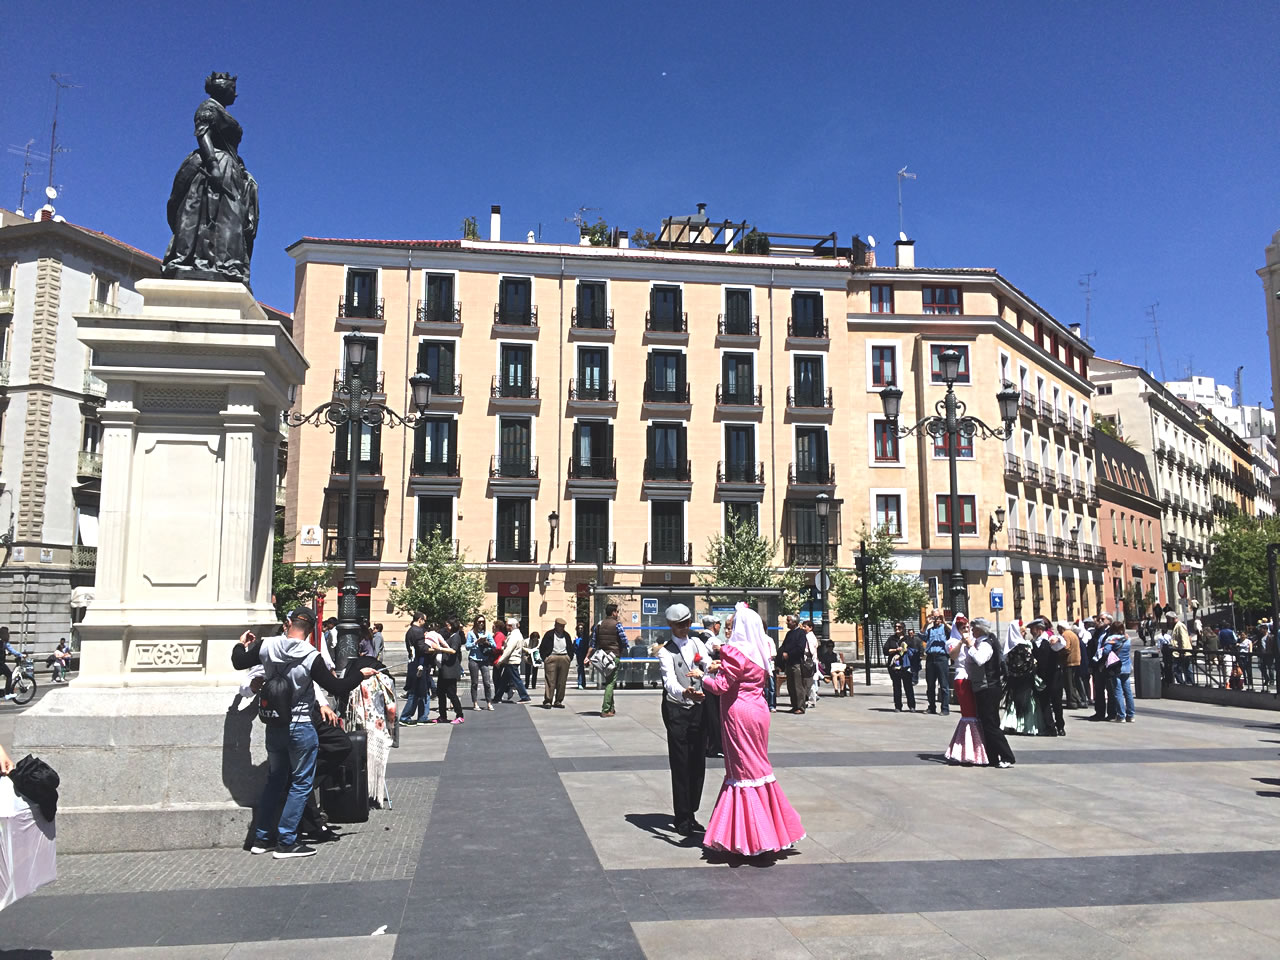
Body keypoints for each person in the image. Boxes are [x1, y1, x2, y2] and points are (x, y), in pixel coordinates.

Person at [231, 609, 375, 859]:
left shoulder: (266, 645)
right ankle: (286, 841)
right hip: (300, 724)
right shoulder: (310, 655)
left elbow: (238, 661)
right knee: (301, 783)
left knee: (275, 780)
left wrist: (241, 644)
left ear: (288, 623)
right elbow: (337, 686)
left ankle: (262, 839)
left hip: (274, 725)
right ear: (310, 631)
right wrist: (358, 675)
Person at [701, 603, 807, 856]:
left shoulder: (735, 650)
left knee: (742, 772)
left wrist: (702, 677)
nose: (729, 629)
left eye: (732, 624)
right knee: (759, 767)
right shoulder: (760, 649)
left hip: (739, 713)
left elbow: (721, 687)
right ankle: (773, 827)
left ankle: (753, 836)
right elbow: (746, 676)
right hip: (759, 711)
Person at [162, 72, 258, 285]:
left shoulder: (219, 110)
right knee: (216, 215)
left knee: (229, 217)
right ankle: (213, 261)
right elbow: (203, 134)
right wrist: (213, 165)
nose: (236, 94)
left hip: (229, 167)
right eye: (233, 89)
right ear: (223, 89)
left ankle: (223, 261)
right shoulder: (208, 108)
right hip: (215, 165)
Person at [656, 604, 712, 836]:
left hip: (699, 707)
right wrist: (684, 692)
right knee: (680, 762)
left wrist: (707, 673)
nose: (684, 628)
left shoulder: (697, 643)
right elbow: (669, 681)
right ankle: (682, 816)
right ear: (671, 626)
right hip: (677, 709)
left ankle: (692, 811)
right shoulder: (665, 652)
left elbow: (707, 664)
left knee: (698, 761)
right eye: (679, 625)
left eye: (687, 623)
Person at [968, 618, 1015, 768]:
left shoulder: (986, 644)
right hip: (984, 687)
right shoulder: (983, 642)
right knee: (987, 723)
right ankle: (992, 756)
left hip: (988, 687)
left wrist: (970, 647)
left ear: (980, 630)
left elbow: (980, 659)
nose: (972, 631)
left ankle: (1007, 756)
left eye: (974, 628)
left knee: (991, 724)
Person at [944, 618, 989, 766]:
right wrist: (961, 643)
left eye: (967, 627)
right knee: (969, 714)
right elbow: (953, 656)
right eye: (963, 627)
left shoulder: (974, 640)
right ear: (957, 629)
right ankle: (967, 751)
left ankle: (978, 749)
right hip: (962, 678)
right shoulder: (952, 642)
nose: (966, 629)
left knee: (977, 713)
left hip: (974, 679)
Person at [1001, 621, 1039, 734]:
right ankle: (1023, 726)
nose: (1025, 633)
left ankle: (1013, 724)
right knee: (1023, 702)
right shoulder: (1021, 646)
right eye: (1022, 632)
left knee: (1014, 701)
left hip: (1014, 678)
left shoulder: (1010, 646)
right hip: (1024, 679)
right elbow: (1027, 662)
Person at [592, 603, 627, 718]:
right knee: (610, 683)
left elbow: (593, 642)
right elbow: (624, 640)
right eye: (617, 612)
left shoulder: (599, 624)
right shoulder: (617, 625)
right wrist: (623, 648)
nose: (618, 614)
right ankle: (606, 709)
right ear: (613, 613)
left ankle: (611, 708)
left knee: (608, 680)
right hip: (614, 656)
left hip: (603, 657)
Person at [1032, 620, 1065, 737]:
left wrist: (1058, 639)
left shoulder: (1050, 639)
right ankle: (1050, 727)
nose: (1031, 632)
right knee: (1044, 702)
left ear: (1039, 629)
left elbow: (1062, 644)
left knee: (1057, 702)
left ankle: (1060, 726)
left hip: (1054, 676)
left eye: (1033, 629)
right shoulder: (1034, 643)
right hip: (1042, 677)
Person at [698, 616, 725, 757]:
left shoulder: (697, 639)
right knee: (715, 714)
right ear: (714, 625)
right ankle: (716, 746)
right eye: (719, 624)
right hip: (713, 681)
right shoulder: (713, 640)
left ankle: (705, 745)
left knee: (705, 714)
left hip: (700, 680)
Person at [429, 618, 465, 724]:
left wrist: (439, 648)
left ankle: (460, 715)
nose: (447, 627)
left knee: (451, 693)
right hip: (443, 669)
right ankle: (442, 716)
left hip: (450, 670)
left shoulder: (456, 637)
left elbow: (453, 650)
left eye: (448, 625)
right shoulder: (450, 636)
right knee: (441, 693)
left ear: (453, 625)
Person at [401, 613, 431, 725]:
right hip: (419, 665)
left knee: (420, 692)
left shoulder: (410, 631)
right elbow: (422, 648)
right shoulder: (418, 631)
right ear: (420, 620)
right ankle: (406, 717)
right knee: (416, 692)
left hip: (414, 663)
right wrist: (435, 648)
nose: (425, 623)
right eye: (424, 620)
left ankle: (422, 716)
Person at [540, 618, 575, 708]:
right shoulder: (549, 634)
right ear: (555, 625)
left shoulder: (566, 635)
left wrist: (569, 657)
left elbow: (570, 647)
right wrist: (545, 658)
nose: (561, 628)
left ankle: (558, 700)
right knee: (550, 680)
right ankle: (548, 700)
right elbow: (542, 647)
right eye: (560, 626)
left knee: (562, 681)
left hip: (564, 657)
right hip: (552, 657)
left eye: (563, 626)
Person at [495, 617, 532, 704]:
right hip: (511, 660)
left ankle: (525, 697)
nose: (506, 627)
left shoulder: (514, 636)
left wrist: (500, 661)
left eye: (507, 625)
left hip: (512, 660)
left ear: (511, 626)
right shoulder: (516, 634)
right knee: (504, 680)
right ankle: (498, 697)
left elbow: (509, 650)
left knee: (516, 680)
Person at [778, 615, 807, 714]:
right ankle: (794, 705)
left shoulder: (801, 633)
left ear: (794, 622)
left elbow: (800, 648)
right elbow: (784, 646)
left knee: (798, 686)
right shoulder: (789, 633)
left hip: (796, 663)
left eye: (788, 621)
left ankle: (800, 706)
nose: (787, 622)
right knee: (790, 686)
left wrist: (789, 654)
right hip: (789, 664)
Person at [923, 611, 951, 715]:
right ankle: (931, 707)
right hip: (930, 657)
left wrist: (944, 622)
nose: (936, 620)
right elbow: (921, 635)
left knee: (944, 685)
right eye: (934, 617)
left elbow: (954, 632)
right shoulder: (930, 630)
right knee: (930, 685)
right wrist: (926, 624)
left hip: (941, 657)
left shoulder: (945, 629)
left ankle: (945, 708)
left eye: (938, 617)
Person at [1105, 623, 1134, 722]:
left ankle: (1121, 715)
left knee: (1118, 692)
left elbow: (1106, 651)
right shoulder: (1127, 639)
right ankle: (1131, 715)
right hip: (1126, 667)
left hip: (1116, 667)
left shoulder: (1112, 639)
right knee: (1128, 692)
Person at [466, 617, 496, 710]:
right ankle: (475, 703)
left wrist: (487, 642)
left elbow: (494, 645)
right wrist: (476, 642)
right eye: (479, 622)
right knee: (474, 682)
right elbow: (467, 646)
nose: (481, 623)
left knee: (487, 682)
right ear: (476, 622)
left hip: (484, 660)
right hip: (474, 659)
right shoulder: (471, 633)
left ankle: (489, 702)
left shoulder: (487, 633)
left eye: (483, 622)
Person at [884, 624, 917, 712]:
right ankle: (898, 706)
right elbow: (885, 650)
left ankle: (912, 706)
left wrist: (905, 650)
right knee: (896, 686)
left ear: (903, 628)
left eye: (899, 627)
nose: (897, 628)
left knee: (908, 686)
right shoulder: (891, 639)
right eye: (895, 627)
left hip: (905, 665)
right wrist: (896, 650)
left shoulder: (908, 639)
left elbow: (913, 650)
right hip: (894, 666)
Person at [1059, 621, 1082, 709]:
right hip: (1076, 660)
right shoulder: (1073, 634)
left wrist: (1059, 652)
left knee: (1069, 683)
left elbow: (1066, 648)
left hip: (1069, 661)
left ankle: (1072, 701)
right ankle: (1078, 700)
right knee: (1073, 682)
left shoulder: (1065, 635)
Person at [1170, 611, 1193, 685]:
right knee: (1180, 669)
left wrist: (1183, 651)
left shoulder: (1180, 626)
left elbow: (1184, 639)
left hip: (1182, 652)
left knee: (1183, 669)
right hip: (1179, 652)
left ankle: (1188, 683)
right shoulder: (1177, 626)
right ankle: (1185, 683)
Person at [0, 627, 19, 700]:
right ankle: (7, 694)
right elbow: (12, 650)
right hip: (1, 664)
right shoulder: (4, 642)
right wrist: (21, 655)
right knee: (9, 675)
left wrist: (6, 653)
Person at [575, 620, 591, 689]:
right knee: (580, 668)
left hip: (585, 653)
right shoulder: (577, 638)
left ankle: (582, 683)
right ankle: (581, 683)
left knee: (581, 668)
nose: (580, 630)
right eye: (579, 628)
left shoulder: (586, 638)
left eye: (582, 628)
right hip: (579, 654)